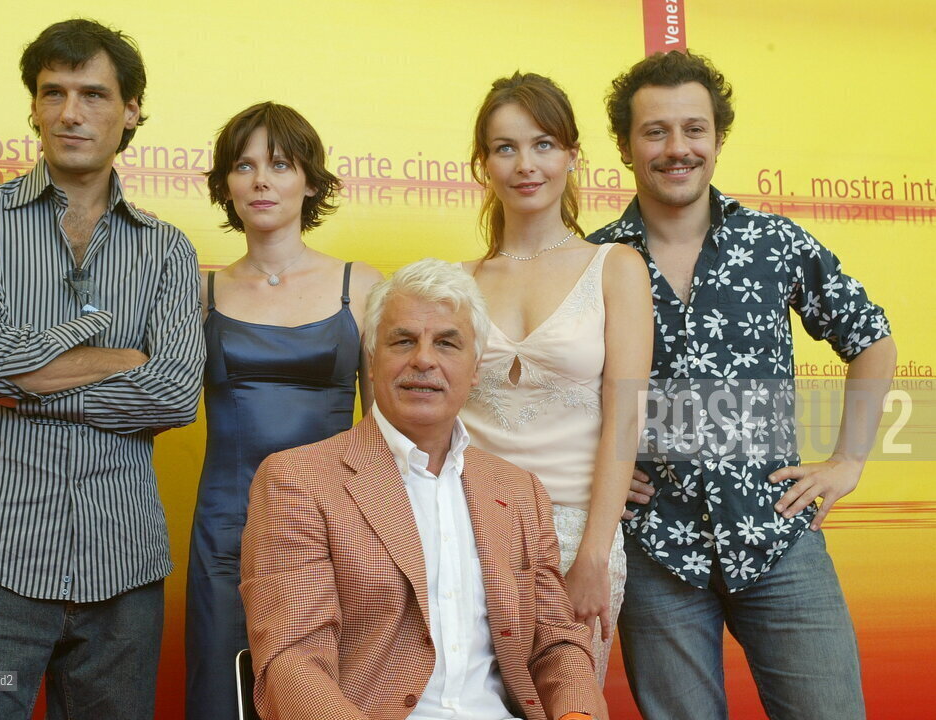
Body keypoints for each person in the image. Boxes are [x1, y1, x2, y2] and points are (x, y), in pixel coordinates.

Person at [588, 50, 896, 719]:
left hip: (779, 536)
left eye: (693, 129)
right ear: (624, 144)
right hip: (655, 552)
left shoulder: (772, 242)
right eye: (655, 131)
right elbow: (558, 391)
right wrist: (592, 475)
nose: (677, 148)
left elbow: (869, 336)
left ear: (718, 138)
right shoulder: (595, 261)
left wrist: (848, 461)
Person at [0, 19, 205, 720]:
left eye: (93, 94)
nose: (70, 113)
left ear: (131, 110)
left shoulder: (167, 249)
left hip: (124, 566)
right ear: (34, 107)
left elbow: (173, 395)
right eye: (53, 93)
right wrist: (119, 360)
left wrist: (24, 382)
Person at [240, 258, 608, 720]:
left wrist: (577, 714)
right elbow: (293, 663)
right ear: (372, 361)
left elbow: (557, 641)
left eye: (447, 343)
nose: (425, 359)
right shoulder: (299, 481)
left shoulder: (518, 491)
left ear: (475, 369)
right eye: (403, 341)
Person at [185, 101, 382, 720]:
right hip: (226, 529)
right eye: (244, 166)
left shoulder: (365, 286)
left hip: (333, 531)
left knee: (322, 699)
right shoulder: (199, 289)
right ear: (226, 186)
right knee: (224, 696)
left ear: (310, 181)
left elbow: (385, 434)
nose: (261, 180)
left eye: (280, 164)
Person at [459, 71, 653, 684]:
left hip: (574, 532)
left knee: (566, 701)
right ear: (483, 163)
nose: (525, 164)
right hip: (465, 529)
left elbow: (626, 418)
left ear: (572, 156)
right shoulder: (455, 283)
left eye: (543, 144)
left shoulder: (615, 267)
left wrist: (595, 553)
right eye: (505, 147)